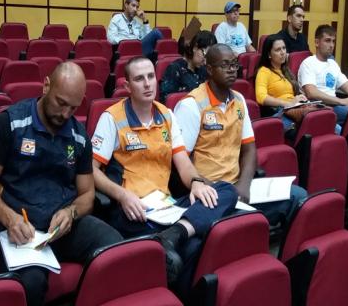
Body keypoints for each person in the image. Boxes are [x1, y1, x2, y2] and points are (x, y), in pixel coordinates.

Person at [0, 62, 123, 306]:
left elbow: (87, 195)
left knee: (115, 249)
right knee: (30, 284)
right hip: (22, 229)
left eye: (73, 108)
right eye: (60, 103)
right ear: (46, 86)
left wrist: (71, 213)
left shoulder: (78, 137)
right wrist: (10, 219)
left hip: (61, 227)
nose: (65, 114)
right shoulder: (10, 123)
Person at [91, 56, 238, 284]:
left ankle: (175, 233)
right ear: (127, 86)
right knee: (195, 244)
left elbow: (184, 163)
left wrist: (196, 182)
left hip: (166, 206)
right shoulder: (112, 118)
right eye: (139, 79)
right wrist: (122, 195)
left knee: (226, 190)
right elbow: (91, 170)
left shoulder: (166, 115)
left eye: (151, 76)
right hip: (134, 209)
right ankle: (177, 249)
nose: (147, 84)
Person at [174, 44, 307, 226]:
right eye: (225, 65)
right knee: (241, 222)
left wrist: (244, 185)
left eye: (234, 64)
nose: (231, 70)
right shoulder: (191, 105)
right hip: (209, 192)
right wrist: (221, 192)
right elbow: (181, 162)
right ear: (210, 69)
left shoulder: (239, 99)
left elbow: (249, 149)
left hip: (239, 186)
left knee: (299, 197)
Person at [254, 35, 308, 130]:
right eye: (278, 50)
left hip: (295, 109)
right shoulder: (264, 71)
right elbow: (261, 97)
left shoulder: (286, 70)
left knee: (321, 119)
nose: (283, 52)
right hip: (279, 112)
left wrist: (300, 98)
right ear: (269, 54)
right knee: (307, 126)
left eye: (284, 48)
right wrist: (287, 103)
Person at [159, 30, 216, 103]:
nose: (205, 62)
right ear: (195, 48)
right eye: (205, 55)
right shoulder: (175, 69)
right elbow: (166, 100)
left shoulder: (204, 70)